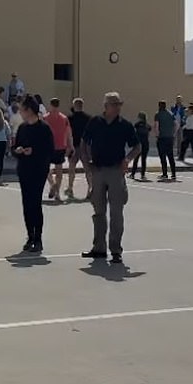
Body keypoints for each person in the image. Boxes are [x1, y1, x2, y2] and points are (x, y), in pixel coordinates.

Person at [81, 92, 140, 264]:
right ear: (106, 106)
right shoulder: (95, 122)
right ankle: (99, 248)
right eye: (114, 104)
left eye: (119, 104)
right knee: (98, 211)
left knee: (116, 213)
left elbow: (137, 146)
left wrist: (127, 159)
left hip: (115, 171)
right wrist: (86, 163)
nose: (117, 107)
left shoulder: (124, 125)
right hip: (98, 170)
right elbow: (84, 143)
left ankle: (115, 250)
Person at [13, 95, 55, 254]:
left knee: (35, 203)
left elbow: (50, 150)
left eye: (22, 110)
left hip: (38, 170)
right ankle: (30, 236)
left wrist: (34, 151)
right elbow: (14, 147)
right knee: (26, 203)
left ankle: (38, 239)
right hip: (24, 169)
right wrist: (18, 151)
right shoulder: (22, 128)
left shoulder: (44, 128)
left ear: (29, 110)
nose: (20, 112)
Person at [44, 98, 73, 201]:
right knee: (59, 170)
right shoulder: (64, 118)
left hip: (48, 146)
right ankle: (57, 192)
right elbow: (69, 133)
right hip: (60, 146)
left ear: (50, 105)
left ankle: (52, 184)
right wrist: (70, 145)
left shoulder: (45, 118)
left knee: (45, 168)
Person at [67, 98, 92, 200]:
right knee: (88, 169)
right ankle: (90, 188)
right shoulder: (89, 118)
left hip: (74, 145)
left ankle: (70, 188)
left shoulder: (69, 118)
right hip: (85, 146)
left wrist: (68, 145)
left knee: (71, 167)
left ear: (74, 106)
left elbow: (67, 133)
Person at [154, 100, 176, 181]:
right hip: (170, 137)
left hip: (162, 137)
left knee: (162, 156)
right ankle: (173, 174)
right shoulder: (170, 114)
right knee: (171, 156)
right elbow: (176, 124)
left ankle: (165, 174)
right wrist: (173, 133)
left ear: (159, 106)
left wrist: (157, 135)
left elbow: (156, 126)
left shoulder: (158, 114)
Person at [131, 112, 151, 181]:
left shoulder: (137, 125)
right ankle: (143, 174)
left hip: (139, 144)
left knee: (136, 159)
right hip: (146, 144)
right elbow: (149, 129)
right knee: (143, 160)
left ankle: (133, 174)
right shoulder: (147, 126)